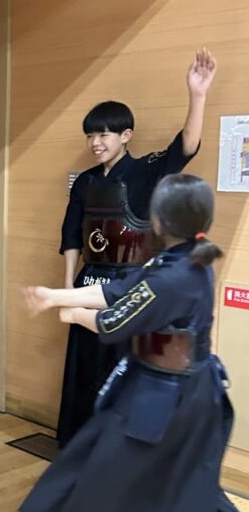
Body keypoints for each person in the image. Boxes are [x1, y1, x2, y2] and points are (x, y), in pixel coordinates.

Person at [21, 173, 249, 512]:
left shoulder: (176, 274)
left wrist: (71, 314)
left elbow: (114, 321)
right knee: (176, 478)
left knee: (114, 465)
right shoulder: (180, 259)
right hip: (167, 387)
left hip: (172, 396)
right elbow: (120, 291)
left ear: (162, 219)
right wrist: (56, 296)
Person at [56, 49, 216, 446]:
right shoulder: (85, 181)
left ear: (125, 136)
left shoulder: (146, 170)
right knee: (84, 366)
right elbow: (72, 235)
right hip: (90, 281)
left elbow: (186, 146)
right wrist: (68, 287)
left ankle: (119, 447)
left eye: (103, 135)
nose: (95, 143)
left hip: (130, 282)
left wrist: (197, 95)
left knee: (123, 366)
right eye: (90, 136)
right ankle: (79, 443)